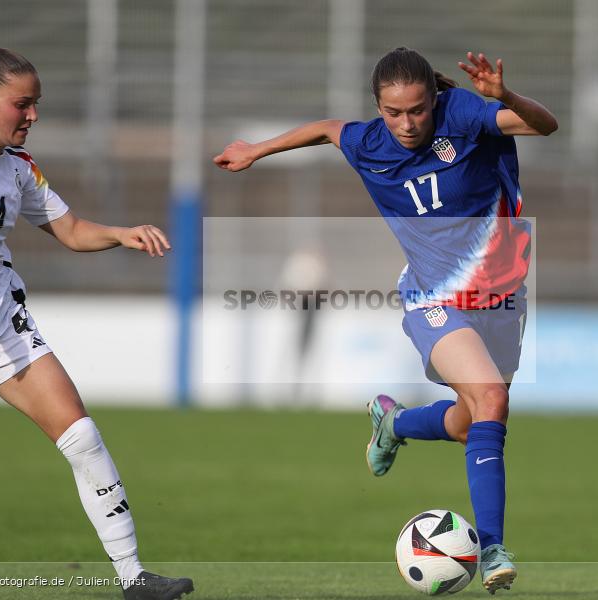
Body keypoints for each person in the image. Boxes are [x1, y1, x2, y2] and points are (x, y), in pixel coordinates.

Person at [214, 47, 557, 594]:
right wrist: (257, 150)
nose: (406, 123)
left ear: (434, 100)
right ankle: (491, 547)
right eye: (393, 112)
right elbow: (329, 129)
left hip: (501, 297)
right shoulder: (369, 142)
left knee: (473, 421)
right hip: (432, 298)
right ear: (378, 106)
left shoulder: (464, 113)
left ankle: (393, 423)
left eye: (417, 110)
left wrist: (505, 97)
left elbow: (546, 124)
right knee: (490, 399)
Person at [0, 41, 194, 600]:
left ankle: (133, 576)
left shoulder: (19, 167)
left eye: (36, 103)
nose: (33, 115)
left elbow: (69, 231)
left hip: (4, 331)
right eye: (23, 104)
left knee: (83, 437)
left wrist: (121, 234)